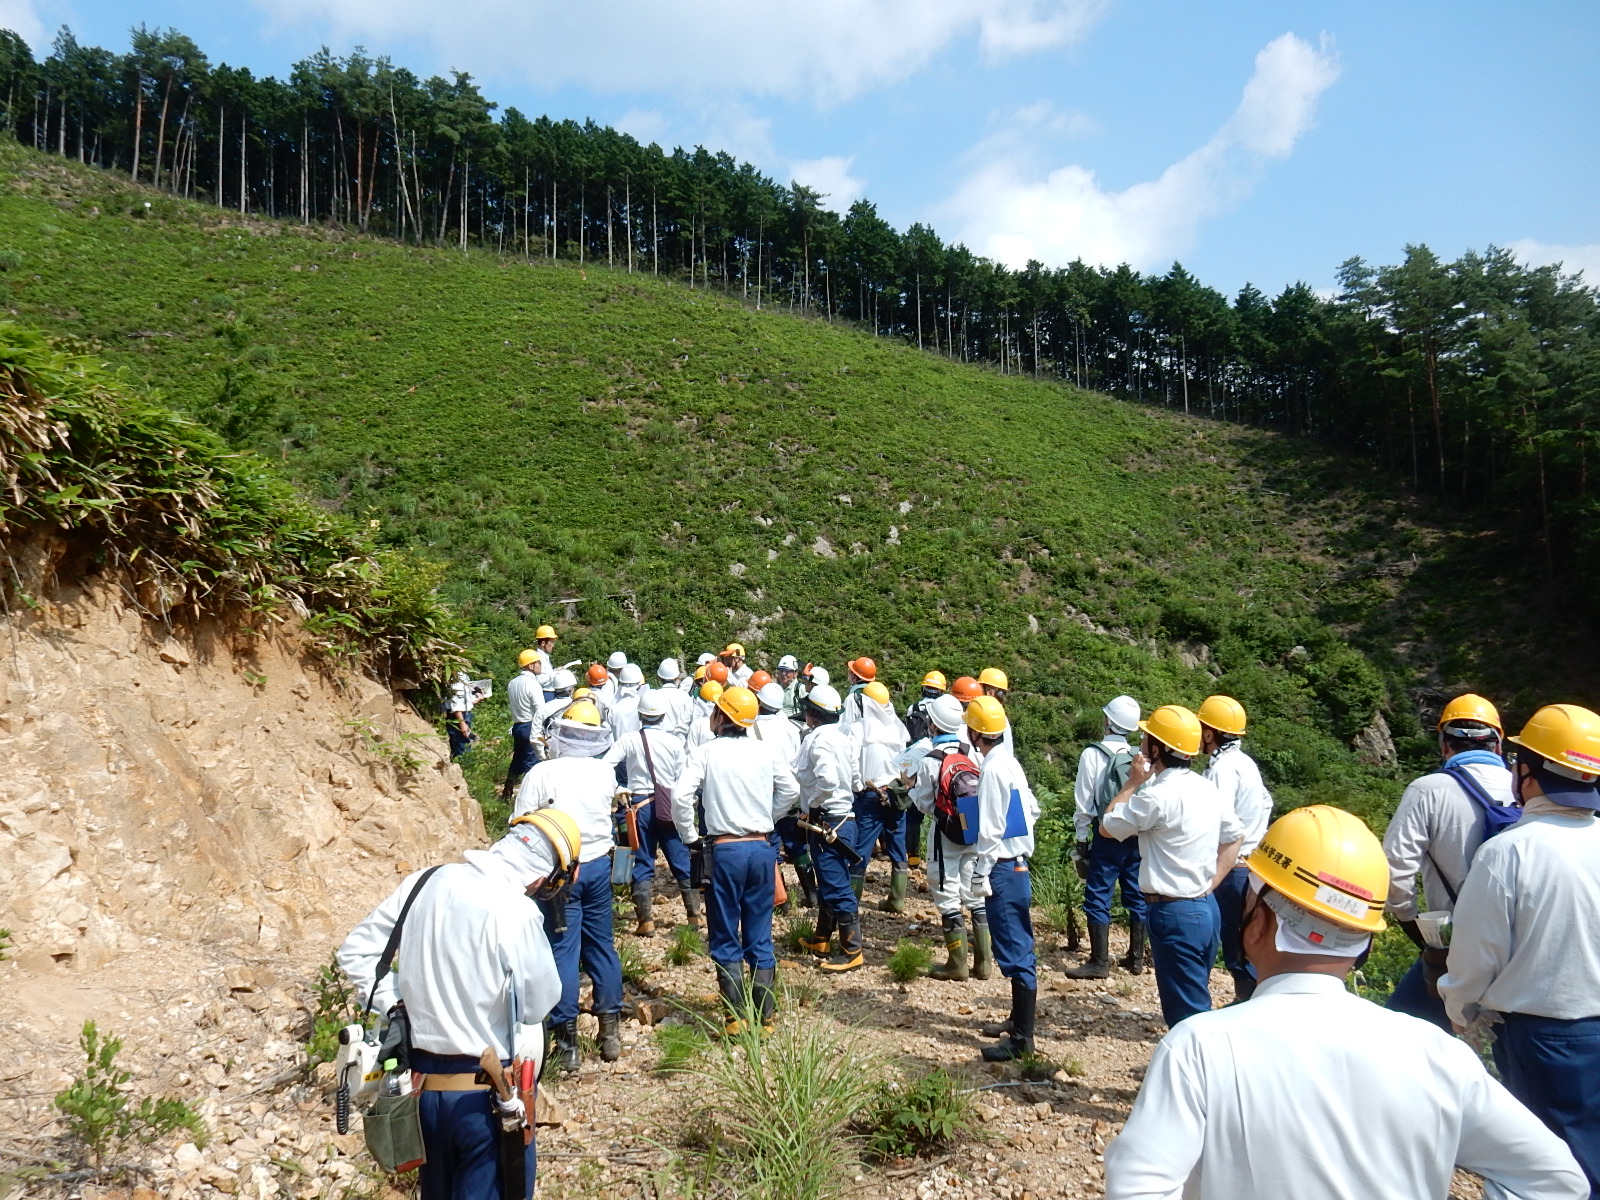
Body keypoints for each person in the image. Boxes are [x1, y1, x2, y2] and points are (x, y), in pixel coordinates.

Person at [1103, 803, 1587, 1200]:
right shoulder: (1438, 1055)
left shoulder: (1200, 1047)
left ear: (1258, 924)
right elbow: (1556, 1180)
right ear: (1365, 944)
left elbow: (1137, 1189)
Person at [338, 809, 581, 1200]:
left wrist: (396, 1006)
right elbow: (538, 1005)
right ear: (543, 877)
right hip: (484, 1100)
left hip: (420, 1095)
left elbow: (356, 951)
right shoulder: (516, 910)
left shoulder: (425, 881)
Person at [1442, 703, 1600, 1196]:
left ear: (1526, 772)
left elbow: (1475, 956)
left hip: (1545, 1039)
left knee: (1547, 1170)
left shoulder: (1509, 851)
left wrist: (1461, 1010)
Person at [1100, 705, 1243, 1027]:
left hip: (1174, 913)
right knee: (1194, 1001)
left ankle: (1199, 1075)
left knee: (1187, 1018)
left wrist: (1132, 783)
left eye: (1146, 738)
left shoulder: (1157, 796)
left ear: (1157, 748)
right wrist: (1213, 882)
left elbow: (1108, 826)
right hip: (1206, 908)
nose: (1141, 743)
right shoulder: (1208, 788)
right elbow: (1235, 837)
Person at [1383, 693, 1514, 1032]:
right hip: (1521, 948)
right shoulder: (1528, 790)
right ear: (1498, 746)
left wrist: (1421, 933)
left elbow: (1395, 874)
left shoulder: (1429, 790)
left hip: (1455, 948)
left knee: (1403, 1034)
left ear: (1444, 745)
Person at [673, 686, 801, 1034]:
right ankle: (767, 1017)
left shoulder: (705, 753)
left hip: (724, 850)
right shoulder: (765, 752)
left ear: (721, 716)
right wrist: (769, 817)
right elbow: (791, 790)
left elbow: (681, 795)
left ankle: (735, 1017)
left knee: (725, 930)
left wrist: (690, 836)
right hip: (761, 849)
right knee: (760, 931)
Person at [512, 700, 624, 1069]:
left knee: (562, 950)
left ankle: (567, 1043)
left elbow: (521, 823)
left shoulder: (542, 773)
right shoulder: (604, 773)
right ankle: (610, 1034)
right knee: (602, 946)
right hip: (598, 867)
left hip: (559, 872)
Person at [965, 695, 1042, 1062]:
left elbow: (992, 828)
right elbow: (1032, 809)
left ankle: (1023, 1039)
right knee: (1015, 943)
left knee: (1014, 948)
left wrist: (981, 870)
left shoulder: (993, 769)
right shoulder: (1008, 762)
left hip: (1003, 865)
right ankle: (1017, 1022)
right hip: (1016, 862)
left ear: (974, 732)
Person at [912, 693, 993, 982]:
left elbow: (924, 804)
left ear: (932, 725)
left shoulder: (929, 760)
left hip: (944, 831)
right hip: (972, 826)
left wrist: (911, 789)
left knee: (946, 891)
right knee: (974, 891)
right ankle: (984, 964)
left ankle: (956, 964)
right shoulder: (970, 752)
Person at [1197, 694, 1273, 1002]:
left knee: (1235, 943)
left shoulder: (1221, 769)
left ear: (1210, 732)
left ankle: (1245, 1002)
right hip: (1252, 862)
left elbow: (1218, 819)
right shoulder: (1245, 763)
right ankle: (1248, 1000)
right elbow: (1267, 802)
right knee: (1247, 939)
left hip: (1231, 866)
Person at [1066, 695, 1147, 980]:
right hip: (1137, 832)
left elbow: (1084, 803)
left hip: (1107, 832)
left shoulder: (1093, 754)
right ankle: (1136, 959)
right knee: (1136, 894)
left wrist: (1081, 840)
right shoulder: (1139, 756)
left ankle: (1099, 961)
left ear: (1108, 721)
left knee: (1099, 894)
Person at [795, 684, 865, 972]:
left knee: (836, 886)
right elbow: (856, 779)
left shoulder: (818, 740)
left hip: (827, 820)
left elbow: (828, 780)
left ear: (813, 714)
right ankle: (822, 938)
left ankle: (852, 949)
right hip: (844, 818)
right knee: (829, 881)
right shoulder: (842, 738)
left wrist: (813, 803)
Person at [853, 680, 912, 912]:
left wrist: (856, 785)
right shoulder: (898, 727)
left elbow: (852, 760)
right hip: (895, 793)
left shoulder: (860, 728)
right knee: (897, 844)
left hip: (870, 794)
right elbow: (906, 762)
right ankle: (897, 899)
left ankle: (852, 900)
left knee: (862, 846)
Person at [753, 681, 810, 907]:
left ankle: (781, 900)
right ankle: (811, 894)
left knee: (772, 844)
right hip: (791, 792)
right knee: (797, 845)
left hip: (764, 795)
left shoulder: (751, 727)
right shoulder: (792, 728)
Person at [902, 671, 949, 868]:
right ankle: (941, 855)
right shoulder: (943, 710)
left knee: (914, 810)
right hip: (938, 757)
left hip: (915, 757)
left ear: (923, 688)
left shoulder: (913, 707)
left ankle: (912, 855)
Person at [503, 649, 545, 799]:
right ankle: (530, 797)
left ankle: (507, 791)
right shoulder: (533, 684)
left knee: (517, 759)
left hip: (518, 725)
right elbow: (540, 710)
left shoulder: (513, 683)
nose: (541, 665)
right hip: (531, 726)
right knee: (531, 763)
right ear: (531, 665)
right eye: (538, 662)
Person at [445, 670, 480, 759]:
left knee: (465, 746)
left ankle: (464, 768)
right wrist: (462, 723)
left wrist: (477, 698)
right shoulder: (455, 676)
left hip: (464, 715)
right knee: (462, 750)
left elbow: (464, 699)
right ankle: (462, 768)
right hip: (458, 717)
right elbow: (455, 702)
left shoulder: (463, 675)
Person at [606, 663, 646, 741]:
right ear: (639, 685)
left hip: (619, 749)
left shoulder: (614, 707)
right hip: (639, 750)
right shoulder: (642, 706)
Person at [839, 656, 877, 732]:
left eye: (850, 671)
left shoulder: (852, 699)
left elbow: (846, 727)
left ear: (855, 677)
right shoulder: (878, 694)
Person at [532, 624, 559, 699]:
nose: (553, 645)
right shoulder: (538, 658)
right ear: (543, 643)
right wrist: (554, 674)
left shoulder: (544, 657)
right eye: (552, 642)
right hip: (546, 693)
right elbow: (539, 680)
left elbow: (546, 673)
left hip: (549, 692)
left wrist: (556, 670)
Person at [775, 655, 803, 719]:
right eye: (781, 670)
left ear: (795, 673)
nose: (783, 674)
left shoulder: (801, 689)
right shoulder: (776, 689)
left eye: (787, 671)